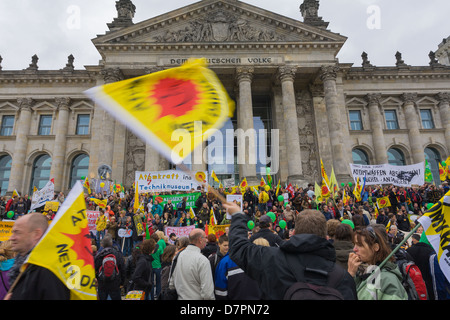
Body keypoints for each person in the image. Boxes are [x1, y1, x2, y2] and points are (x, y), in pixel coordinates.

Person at [225, 202, 357, 300]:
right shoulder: (344, 278)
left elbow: (238, 247)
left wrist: (237, 215)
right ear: (326, 238)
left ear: (293, 233)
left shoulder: (271, 259)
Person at [6, 213, 70, 300]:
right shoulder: (23, 265)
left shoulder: (49, 270)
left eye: (17, 232)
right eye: (13, 232)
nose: (11, 238)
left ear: (36, 234)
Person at [347, 225, 408, 300]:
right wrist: (350, 275)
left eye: (360, 245)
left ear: (375, 247)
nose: (354, 249)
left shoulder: (387, 280)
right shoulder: (362, 272)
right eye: (354, 244)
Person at [168, 228, 215, 300]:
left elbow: (171, 284)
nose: (206, 240)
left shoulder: (177, 257)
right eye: (205, 237)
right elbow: (207, 293)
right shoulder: (203, 260)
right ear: (200, 239)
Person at [94, 234, 126, 300]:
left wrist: (98, 279)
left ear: (102, 244)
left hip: (102, 283)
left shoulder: (99, 255)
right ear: (111, 243)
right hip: (115, 283)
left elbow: (95, 268)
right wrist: (122, 282)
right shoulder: (117, 254)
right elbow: (123, 269)